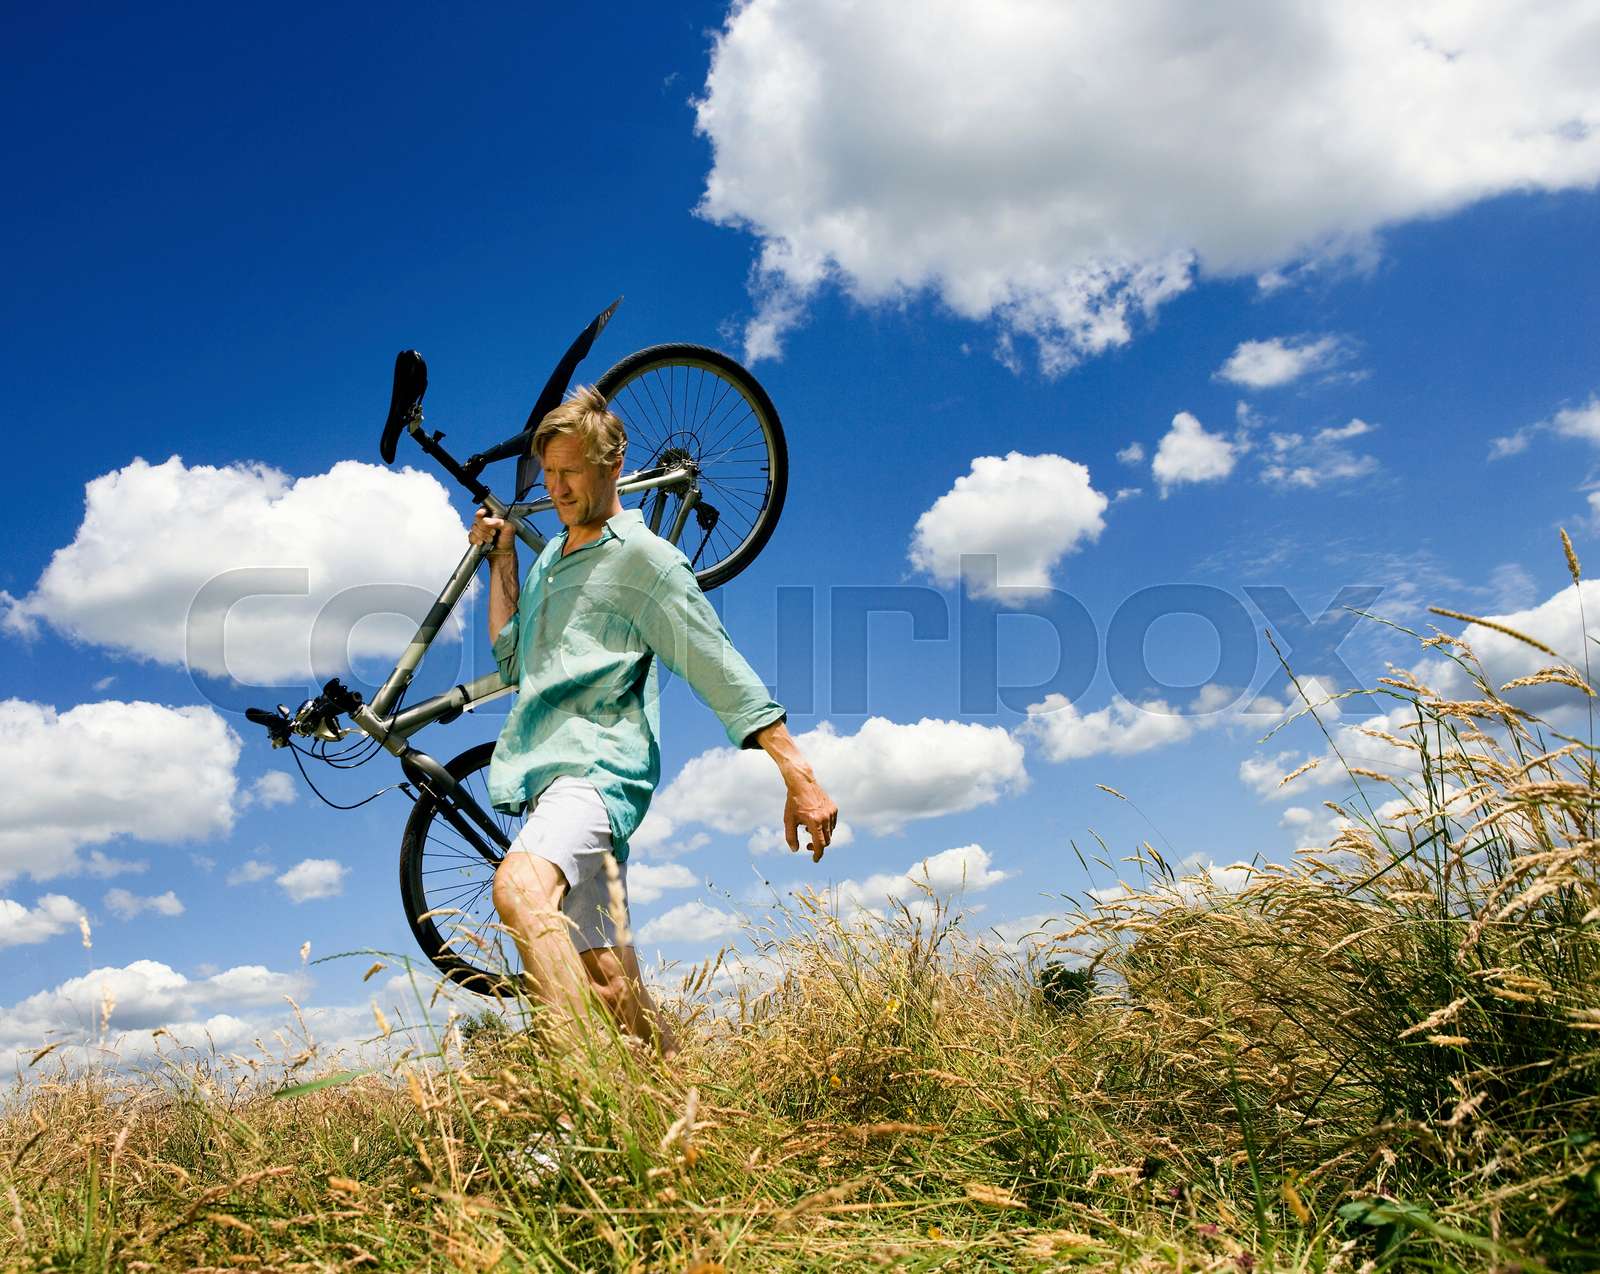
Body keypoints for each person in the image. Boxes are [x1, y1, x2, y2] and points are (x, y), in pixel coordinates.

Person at [468, 385, 837, 1056]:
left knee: (519, 888)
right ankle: (702, 1129)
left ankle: (589, 1108)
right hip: (552, 777)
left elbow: (715, 663)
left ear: (613, 465)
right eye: (548, 473)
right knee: (613, 993)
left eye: (570, 471)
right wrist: (502, 557)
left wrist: (798, 772)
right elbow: (514, 654)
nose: (555, 487)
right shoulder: (552, 557)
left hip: (595, 770)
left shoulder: (646, 559)